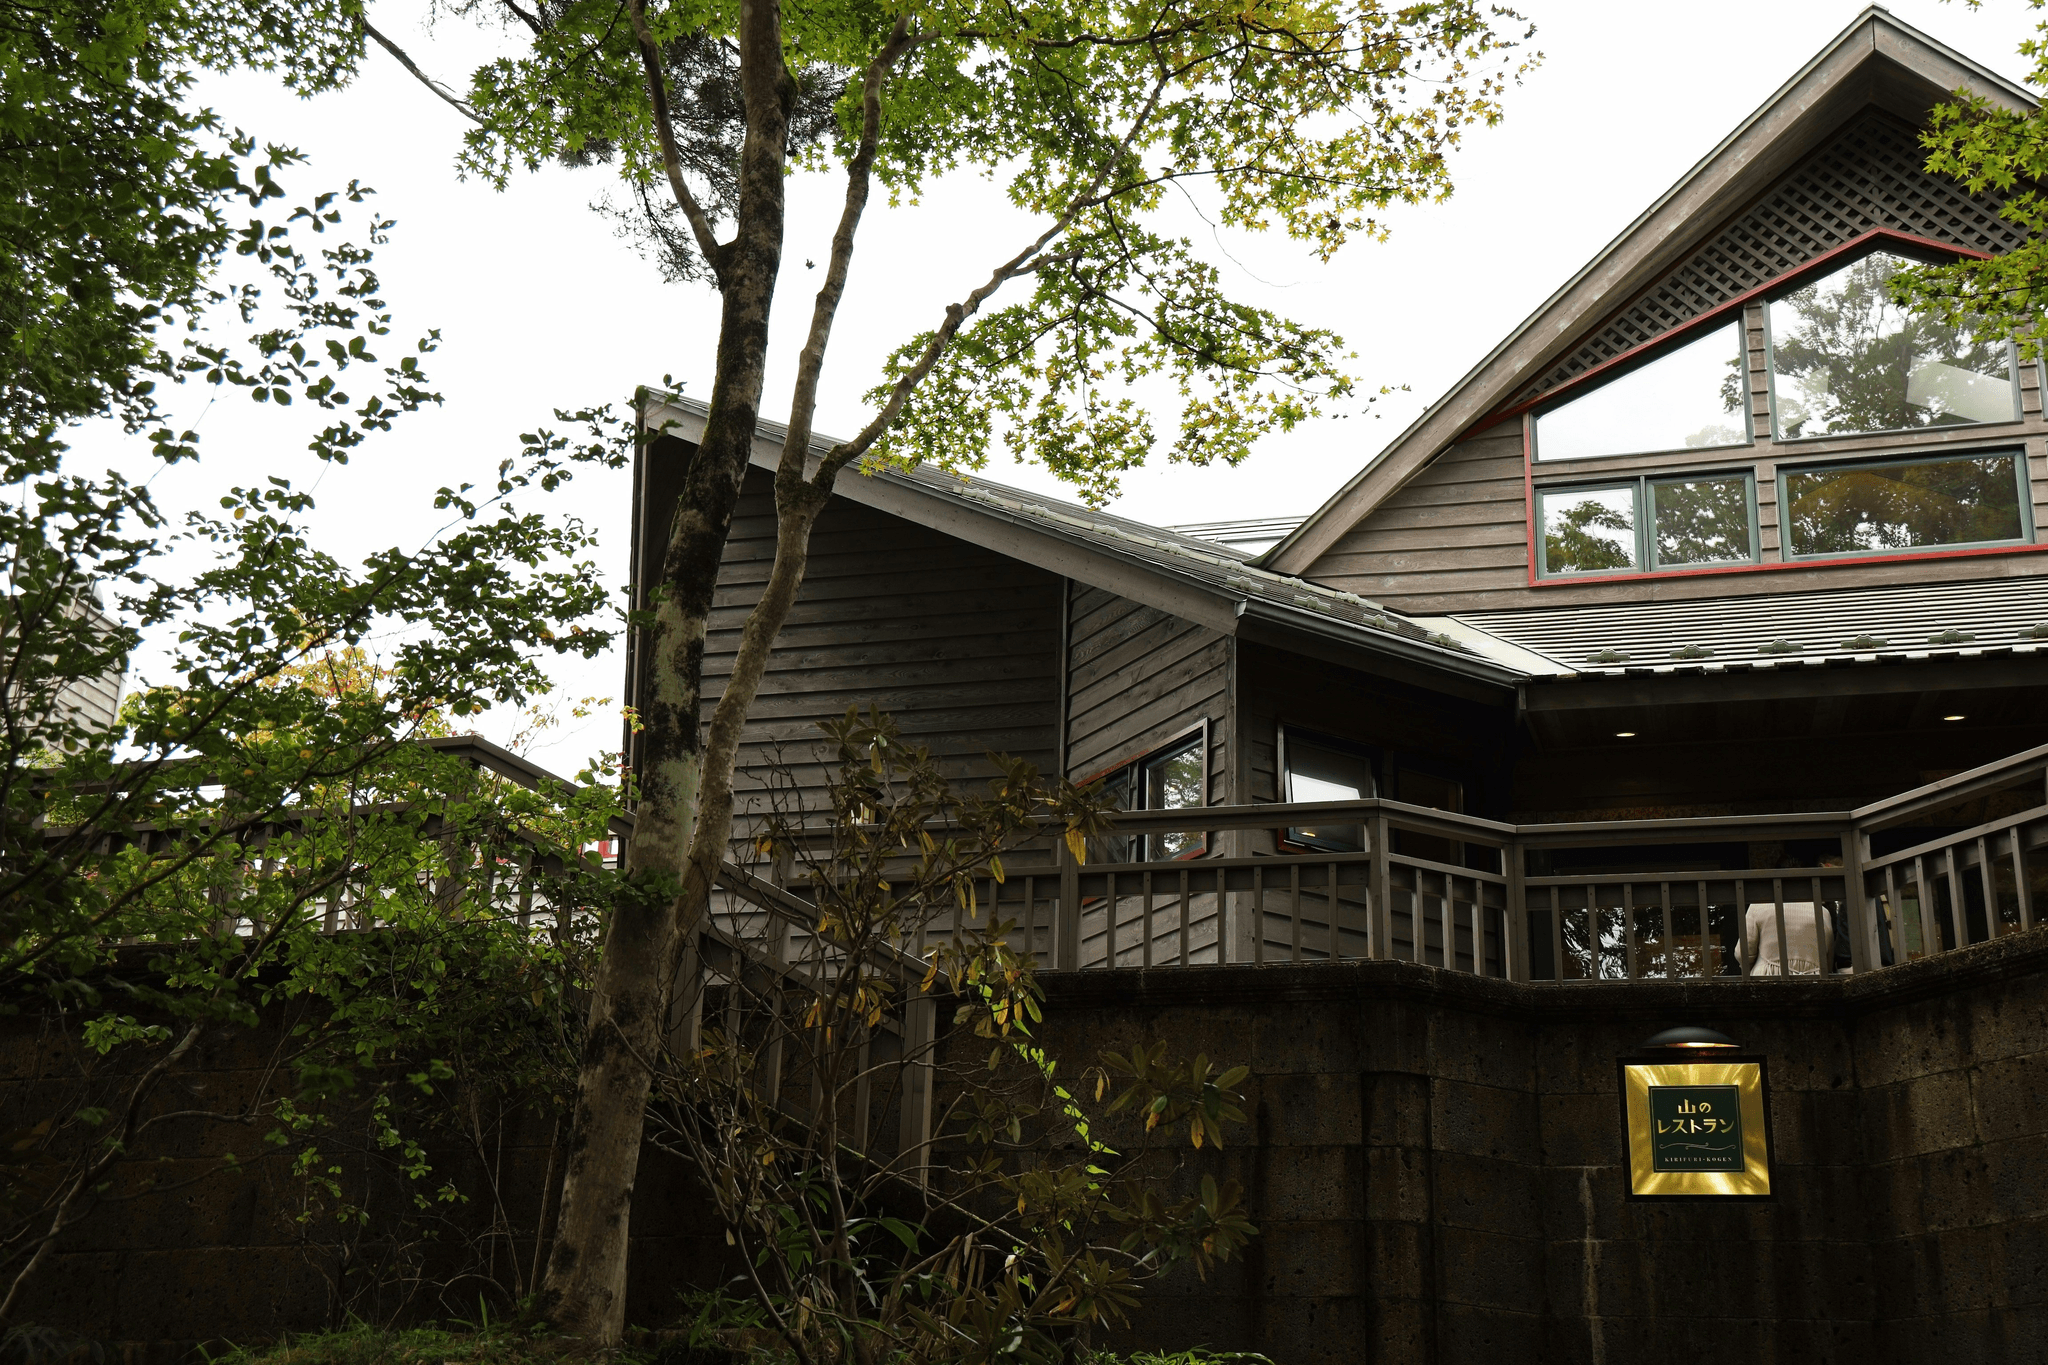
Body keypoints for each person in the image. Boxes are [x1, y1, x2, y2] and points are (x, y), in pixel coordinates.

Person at [1738, 898, 1833, 975]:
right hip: (1813, 980)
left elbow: (1743, 953)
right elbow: (1828, 958)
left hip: (1767, 977)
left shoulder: (1758, 907)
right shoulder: (1822, 912)